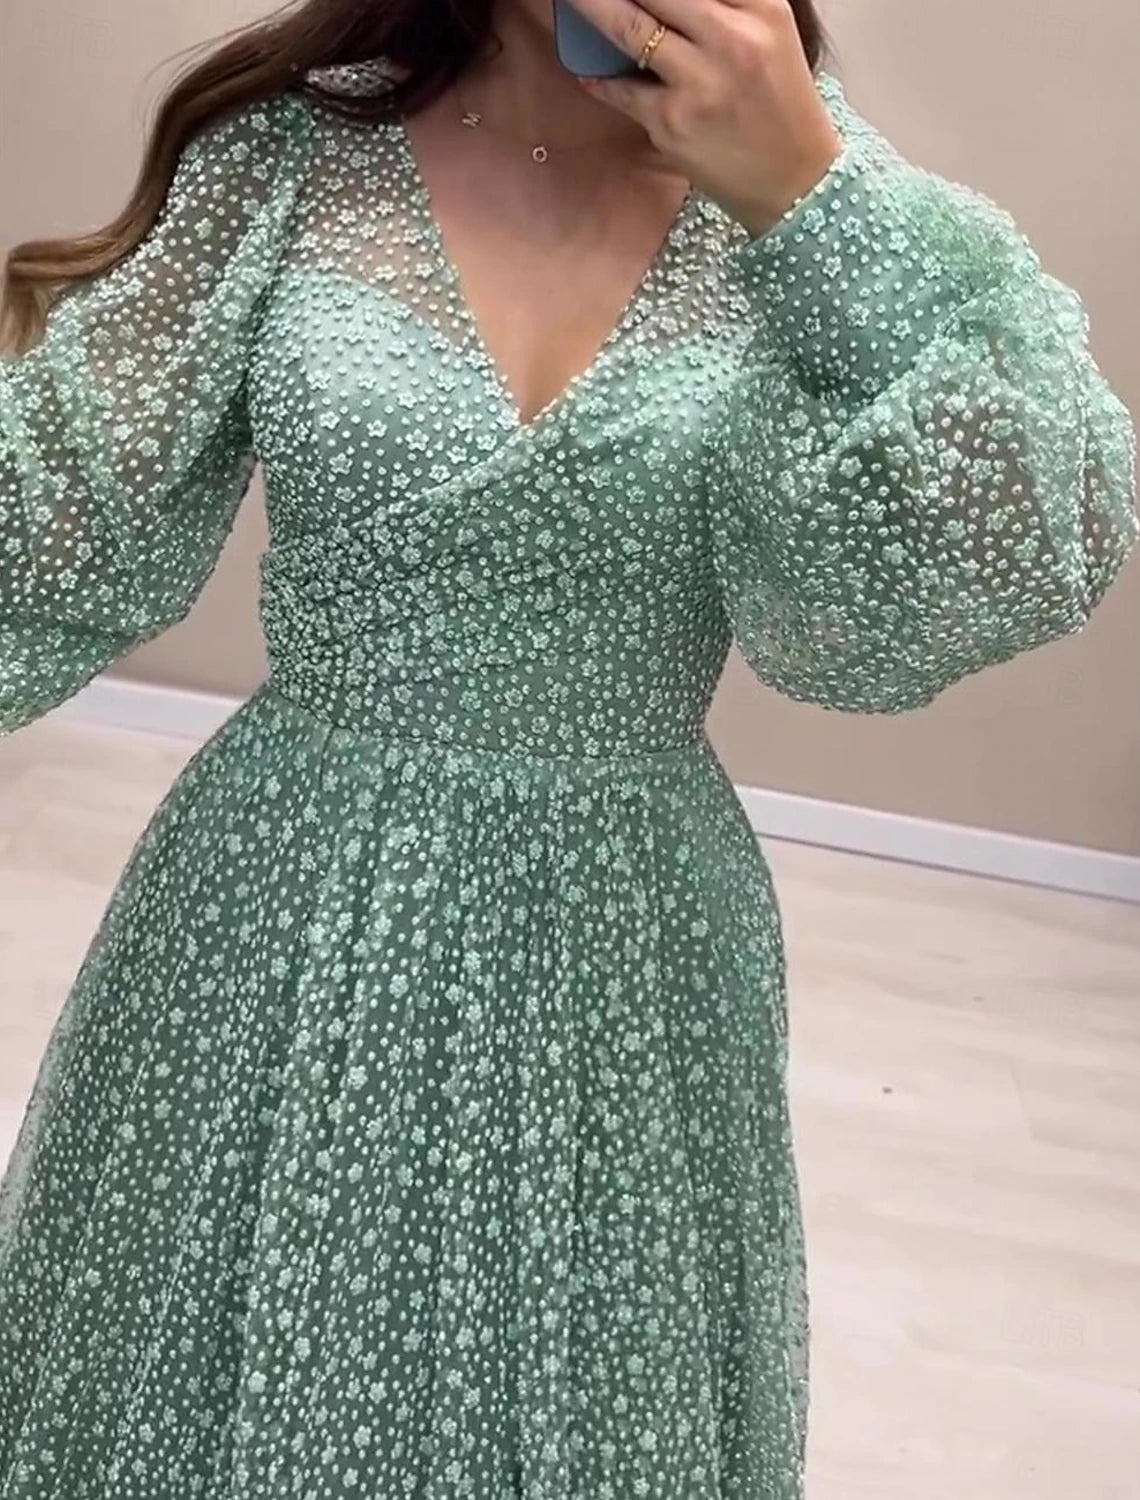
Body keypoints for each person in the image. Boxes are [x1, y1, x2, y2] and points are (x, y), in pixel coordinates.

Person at [0, 0, 1136, 1493]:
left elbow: (1031, 533)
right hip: (281, 909)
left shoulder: (805, 184)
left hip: (631, 943)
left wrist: (809, 206)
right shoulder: (293, 149)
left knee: (595, 1391)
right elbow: (54, 508)